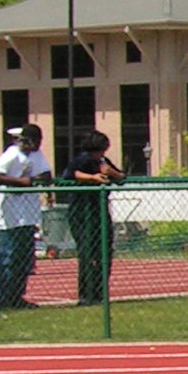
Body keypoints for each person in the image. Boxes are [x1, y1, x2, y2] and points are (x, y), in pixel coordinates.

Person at [0, 124, 53, 308]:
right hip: (10, 215)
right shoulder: (12, 154)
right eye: (34, 141)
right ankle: (3, 298)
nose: (37, 145)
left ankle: (17, 297)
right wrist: (19, 181)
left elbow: (46, 174)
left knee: (23, 259)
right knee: (8, 257)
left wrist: (38, 180)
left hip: (28, 214)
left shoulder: (37, 155)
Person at [66, 128, 124, 306]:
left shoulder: (104, 161)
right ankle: (86, 294)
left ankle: (100, 292)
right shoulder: (82, 159)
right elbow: (71, 174)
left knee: (104, 252)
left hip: (100, 211)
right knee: (87, 253)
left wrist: (111, 173)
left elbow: (121, 177)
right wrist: (93, 178)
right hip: (82, 212)